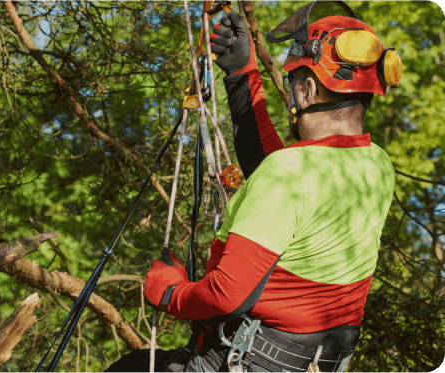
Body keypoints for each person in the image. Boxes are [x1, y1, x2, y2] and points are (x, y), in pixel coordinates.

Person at [105, 1, 400, 372]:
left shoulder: (288, 174)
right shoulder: (376, 164)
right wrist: (243, 75)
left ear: (307, 91)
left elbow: (226, 296)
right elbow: (282, 179)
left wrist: (169, 292)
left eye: (295, 86)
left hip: (247, 358)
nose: (293, 96)